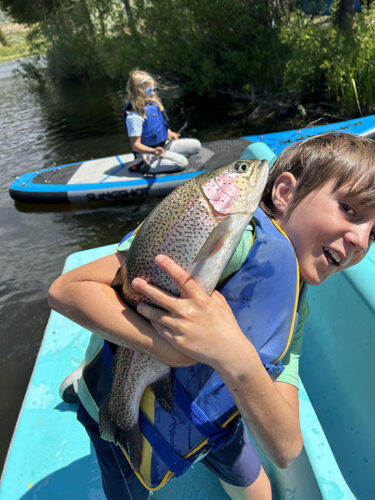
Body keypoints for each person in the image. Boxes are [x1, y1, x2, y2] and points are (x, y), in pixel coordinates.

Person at [49, 132, 375, 500]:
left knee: (259, 494)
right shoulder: (231, 239)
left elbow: (285, 449)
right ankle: (84, 380)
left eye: (373, 232)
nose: (362, 241)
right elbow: (66, 290)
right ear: (283, 193)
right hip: (123, 395)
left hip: (211, 418)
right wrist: (170, 350)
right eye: (349, 209)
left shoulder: (294, 308)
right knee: (126, 481)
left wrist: (233, 354)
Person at [124, 68, 201, 174]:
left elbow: (160, 126)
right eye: (150, 90)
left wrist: (169, 133)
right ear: (139, 92)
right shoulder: (134, 117)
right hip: (148, 153)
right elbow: (135, 145)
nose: (154, 93)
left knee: (196, 145)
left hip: (164, 145)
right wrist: (153, 151)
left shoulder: (153, 105)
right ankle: (142, 165)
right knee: (182, 163)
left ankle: (167, 156)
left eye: (155, 89)